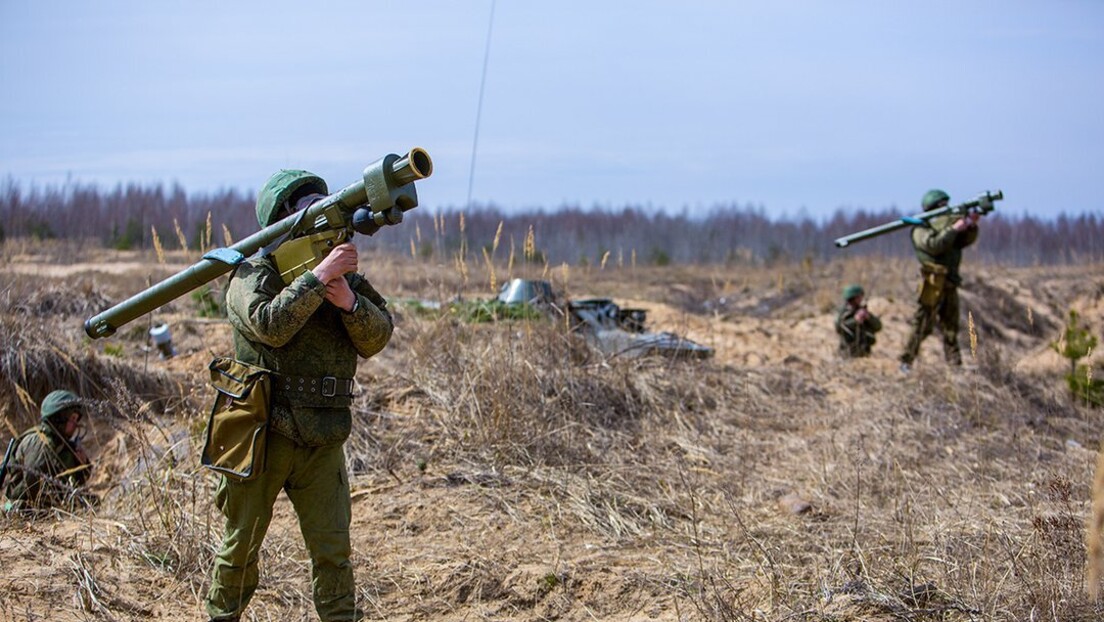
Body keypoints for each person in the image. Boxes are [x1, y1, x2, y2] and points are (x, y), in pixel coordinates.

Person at [205, 170, 394, 622]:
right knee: (240, 548)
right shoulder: (251, 272)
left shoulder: (343, 276)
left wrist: (348, 300)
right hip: (261, 434)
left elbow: (378, 335)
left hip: (322, 437)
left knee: (333, 554)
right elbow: (269, 325)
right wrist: (316, 280)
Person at [898, 189, 981, 373]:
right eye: (941, 206)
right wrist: (953, 229)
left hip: (950, 283)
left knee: (951, 327)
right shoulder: (921, 229)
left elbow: (963, 241)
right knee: (922, 325)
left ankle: (955, 366)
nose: (946, 209)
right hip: (932, 284)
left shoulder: (946, 227)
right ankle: (906, 362)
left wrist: (970, 226)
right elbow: (934, 246)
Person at [1, 390, 92, 512]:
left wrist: (84, 465)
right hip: (15, 507)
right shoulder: (39, 442)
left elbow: (75, 484)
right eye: (73, 418)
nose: (76, 425)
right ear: (59, 418)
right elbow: (32, 484)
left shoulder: (62, 444)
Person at [835, 284, 881, 358]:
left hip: (865, 354)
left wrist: (868, 317)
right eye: (858, 297)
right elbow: (839, 327)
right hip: (847, 353)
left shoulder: (862, 310)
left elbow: (878, 326)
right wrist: (855, 320)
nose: (861, 299)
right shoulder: (844, 313)